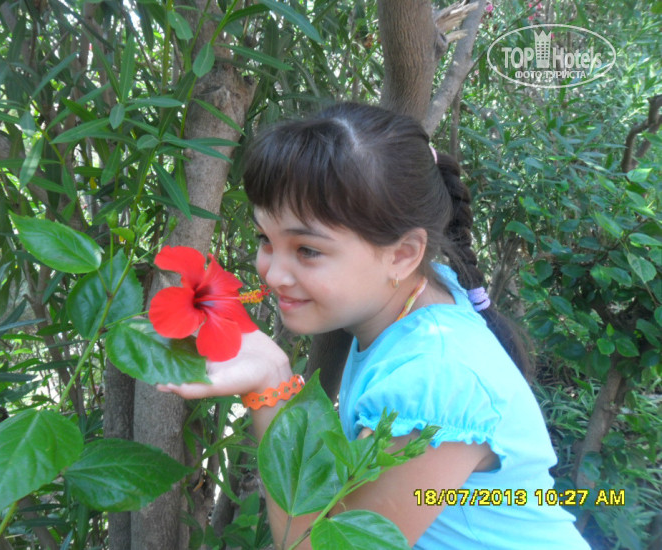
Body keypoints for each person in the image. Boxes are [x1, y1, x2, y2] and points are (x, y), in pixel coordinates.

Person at [157, 102, 591, 549]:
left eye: (307, 250)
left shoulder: (434, 382)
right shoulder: (420, 298)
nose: (273, 274)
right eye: (265, 239)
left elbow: (315, 545)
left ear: (403, 255)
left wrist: (271, 389)